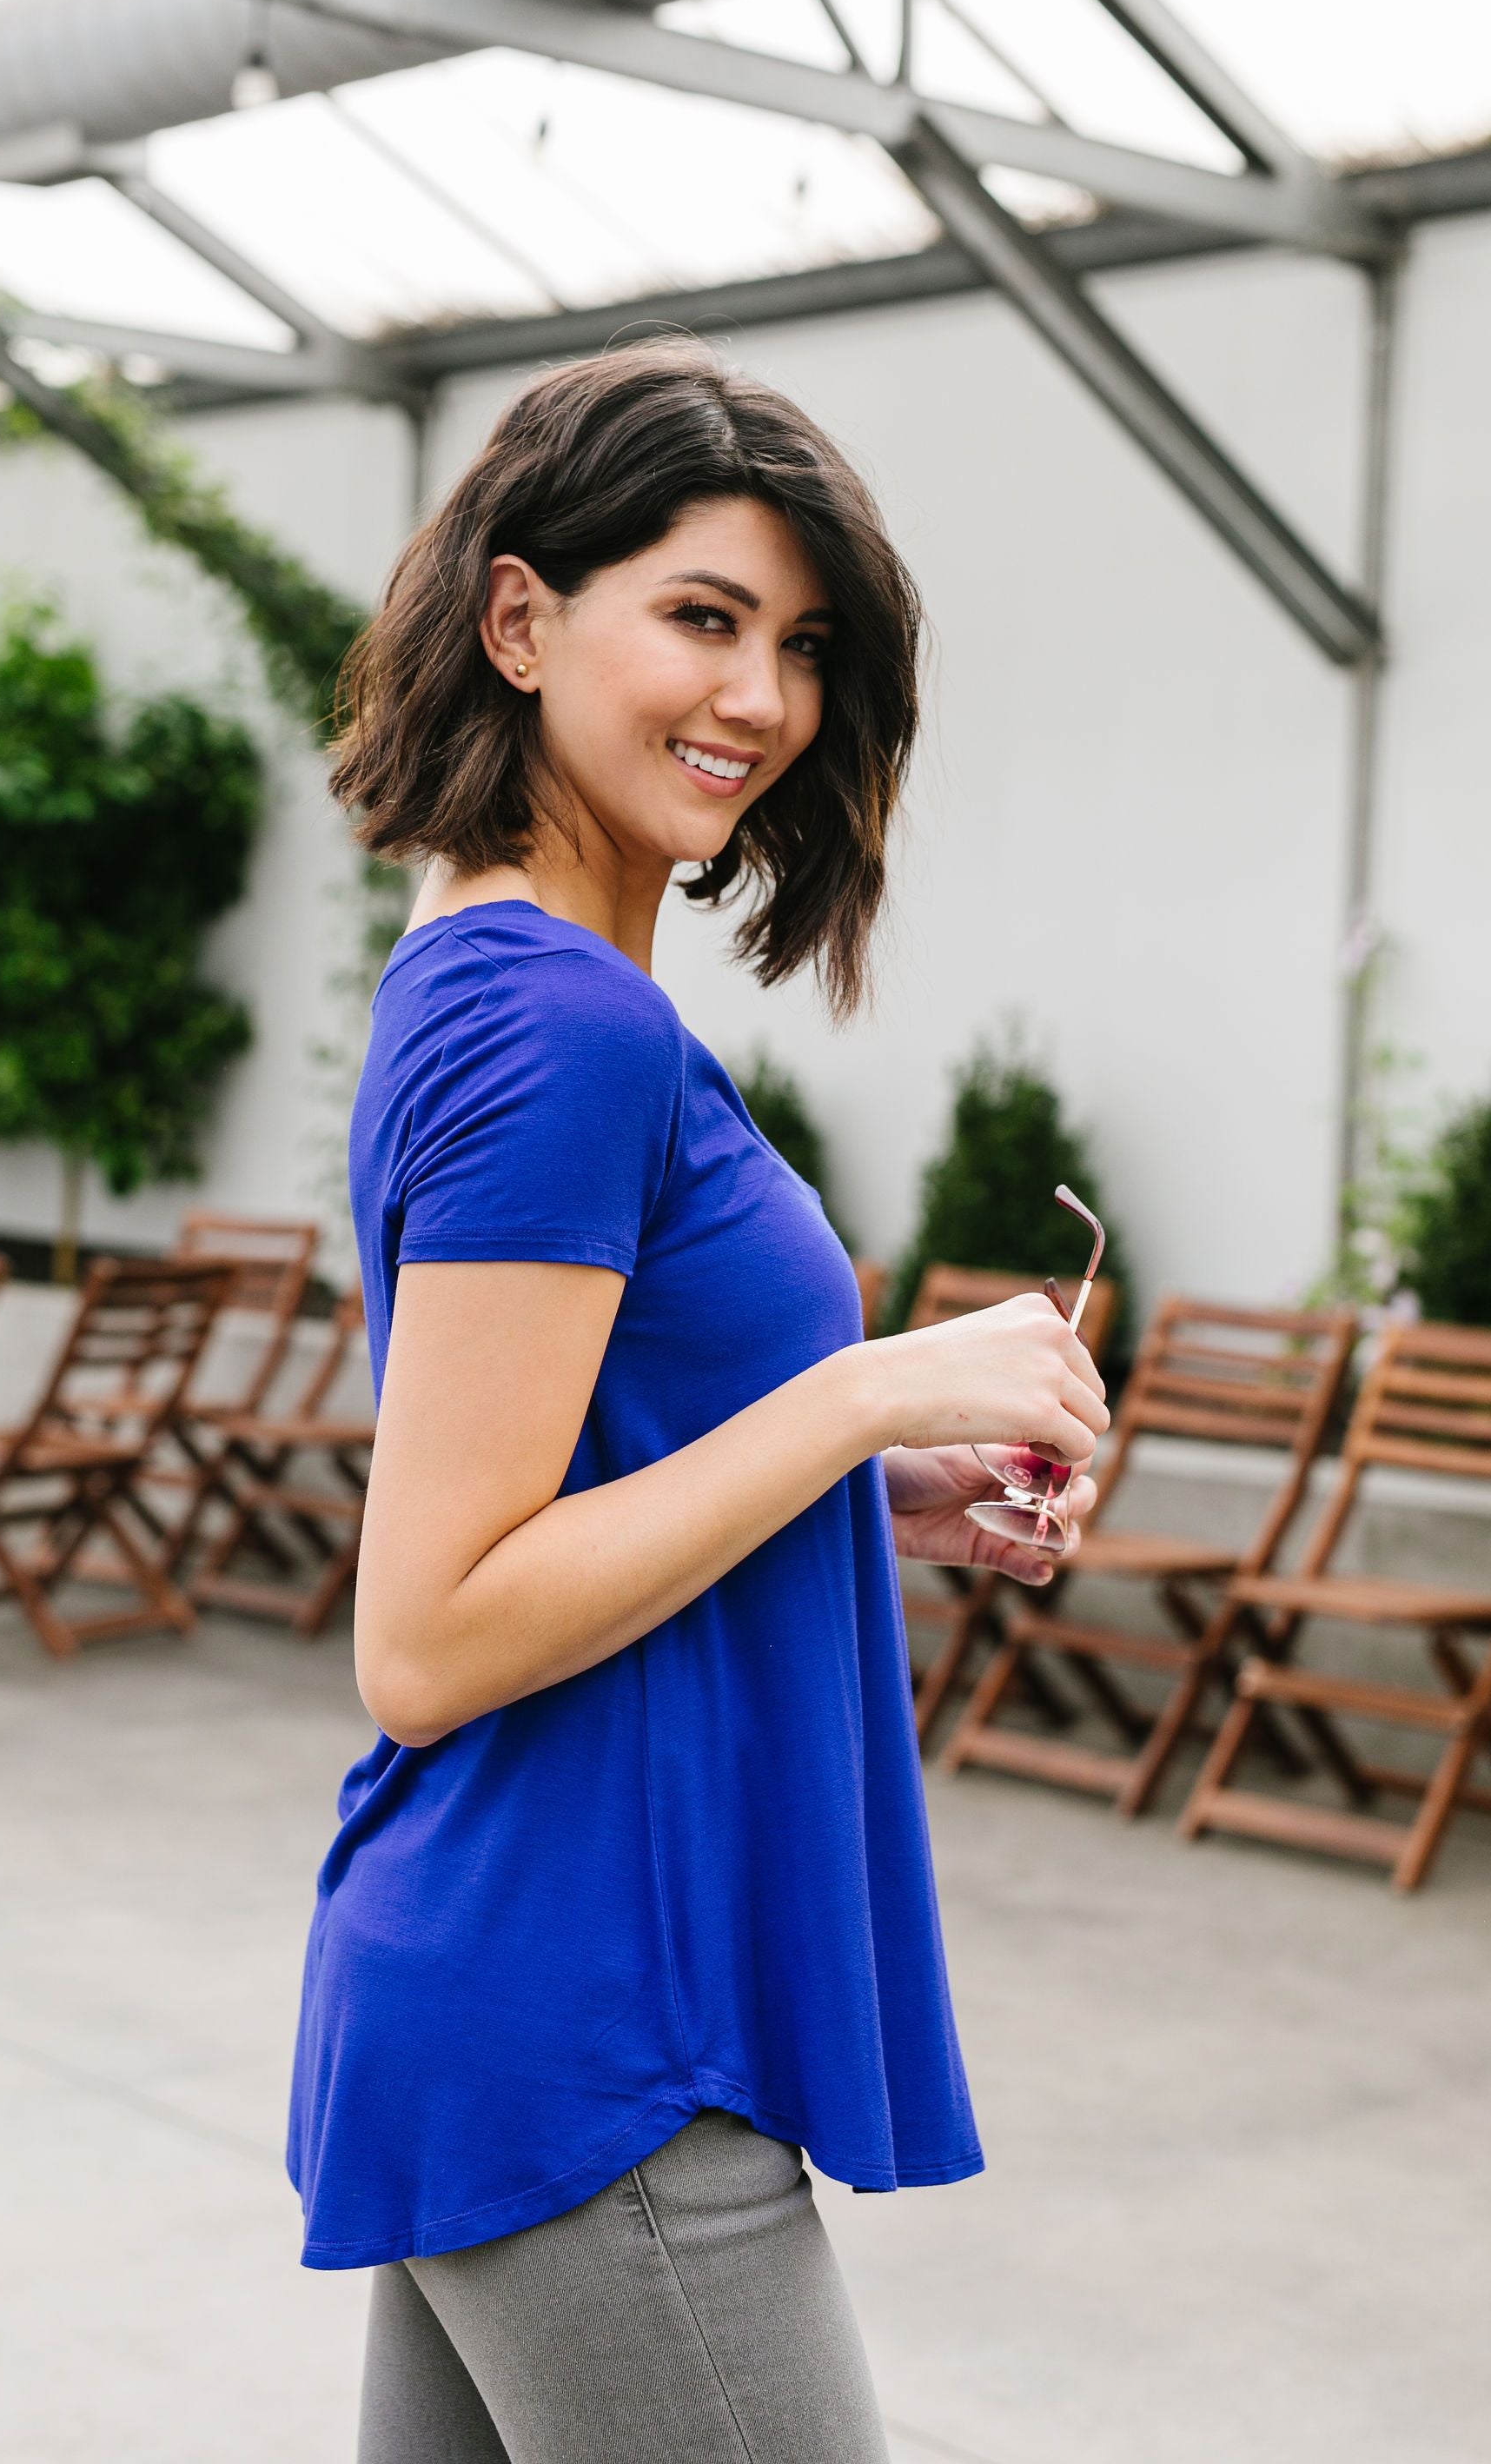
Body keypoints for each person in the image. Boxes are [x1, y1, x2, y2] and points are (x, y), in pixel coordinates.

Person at [290, 341, 1109, 2463]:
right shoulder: (561, 1025)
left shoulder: (504, 979)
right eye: (703, 618)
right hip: (598, 2028)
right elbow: (430, 1634)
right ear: (521, 618)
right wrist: (851, 1396)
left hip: (536, 1991)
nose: (759, 697)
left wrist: (883, 1484)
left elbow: (580, 1461)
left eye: (802, 645)